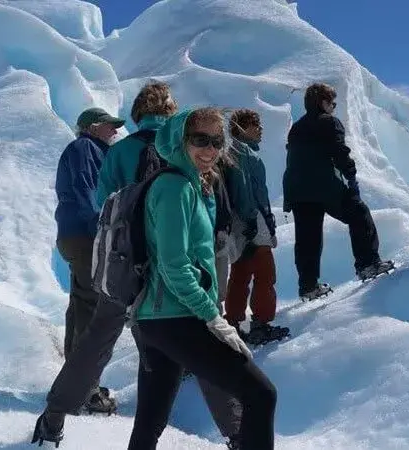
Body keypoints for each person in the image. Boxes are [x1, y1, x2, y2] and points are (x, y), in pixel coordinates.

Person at [33, 86, 242, 449]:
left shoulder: (120, 152)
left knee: (96, 341)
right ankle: (239, 436)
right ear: (174, 113)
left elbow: (103, 204)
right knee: (204, 348)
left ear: (137, 113)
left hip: (128, 268)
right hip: (178, 273)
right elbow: (203, 220)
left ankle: (53, 419)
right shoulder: (189, 151)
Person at [128, 107, 277, 450]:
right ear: (181, 140)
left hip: (157, 318)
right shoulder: (175, 188)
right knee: (261, 394)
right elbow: (174, 264)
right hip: (176, 317)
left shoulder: (189, 185)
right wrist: (212, 316)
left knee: (151, 418)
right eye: (200, 140)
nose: (210, 149)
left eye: (216, 141)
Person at [283, 83, 393, 301]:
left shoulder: (296, 127)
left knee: (308, 238)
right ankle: (368, 263)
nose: (334, 107)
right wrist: (351, 176)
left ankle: (308, 286)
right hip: (322, 184)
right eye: (332, 102)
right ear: (323, 102)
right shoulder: (329, 122)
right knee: (359, 213)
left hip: (296, 189)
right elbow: (339, 151)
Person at [53, 107, 124, 413]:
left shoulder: (88, 148)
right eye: (110, 126)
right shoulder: (84, 148)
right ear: (93, 127)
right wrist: (101, 230)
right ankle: (83, 389)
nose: (115, 131)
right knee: (90, 306)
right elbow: (86, 191)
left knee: (81, 303)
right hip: (85, 235)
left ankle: (75, 380)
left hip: (76, 234)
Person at [224, 109, 289, 345]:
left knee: (241, 272)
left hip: (238, 221)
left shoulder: (235, 151)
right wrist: (253, 221)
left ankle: (232, 323)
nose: (260, 129)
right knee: (264, 272)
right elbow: (244, 189)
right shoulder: (242, 152)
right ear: (241, 128)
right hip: (251, 220)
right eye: (255, 125)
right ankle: (261, 324)